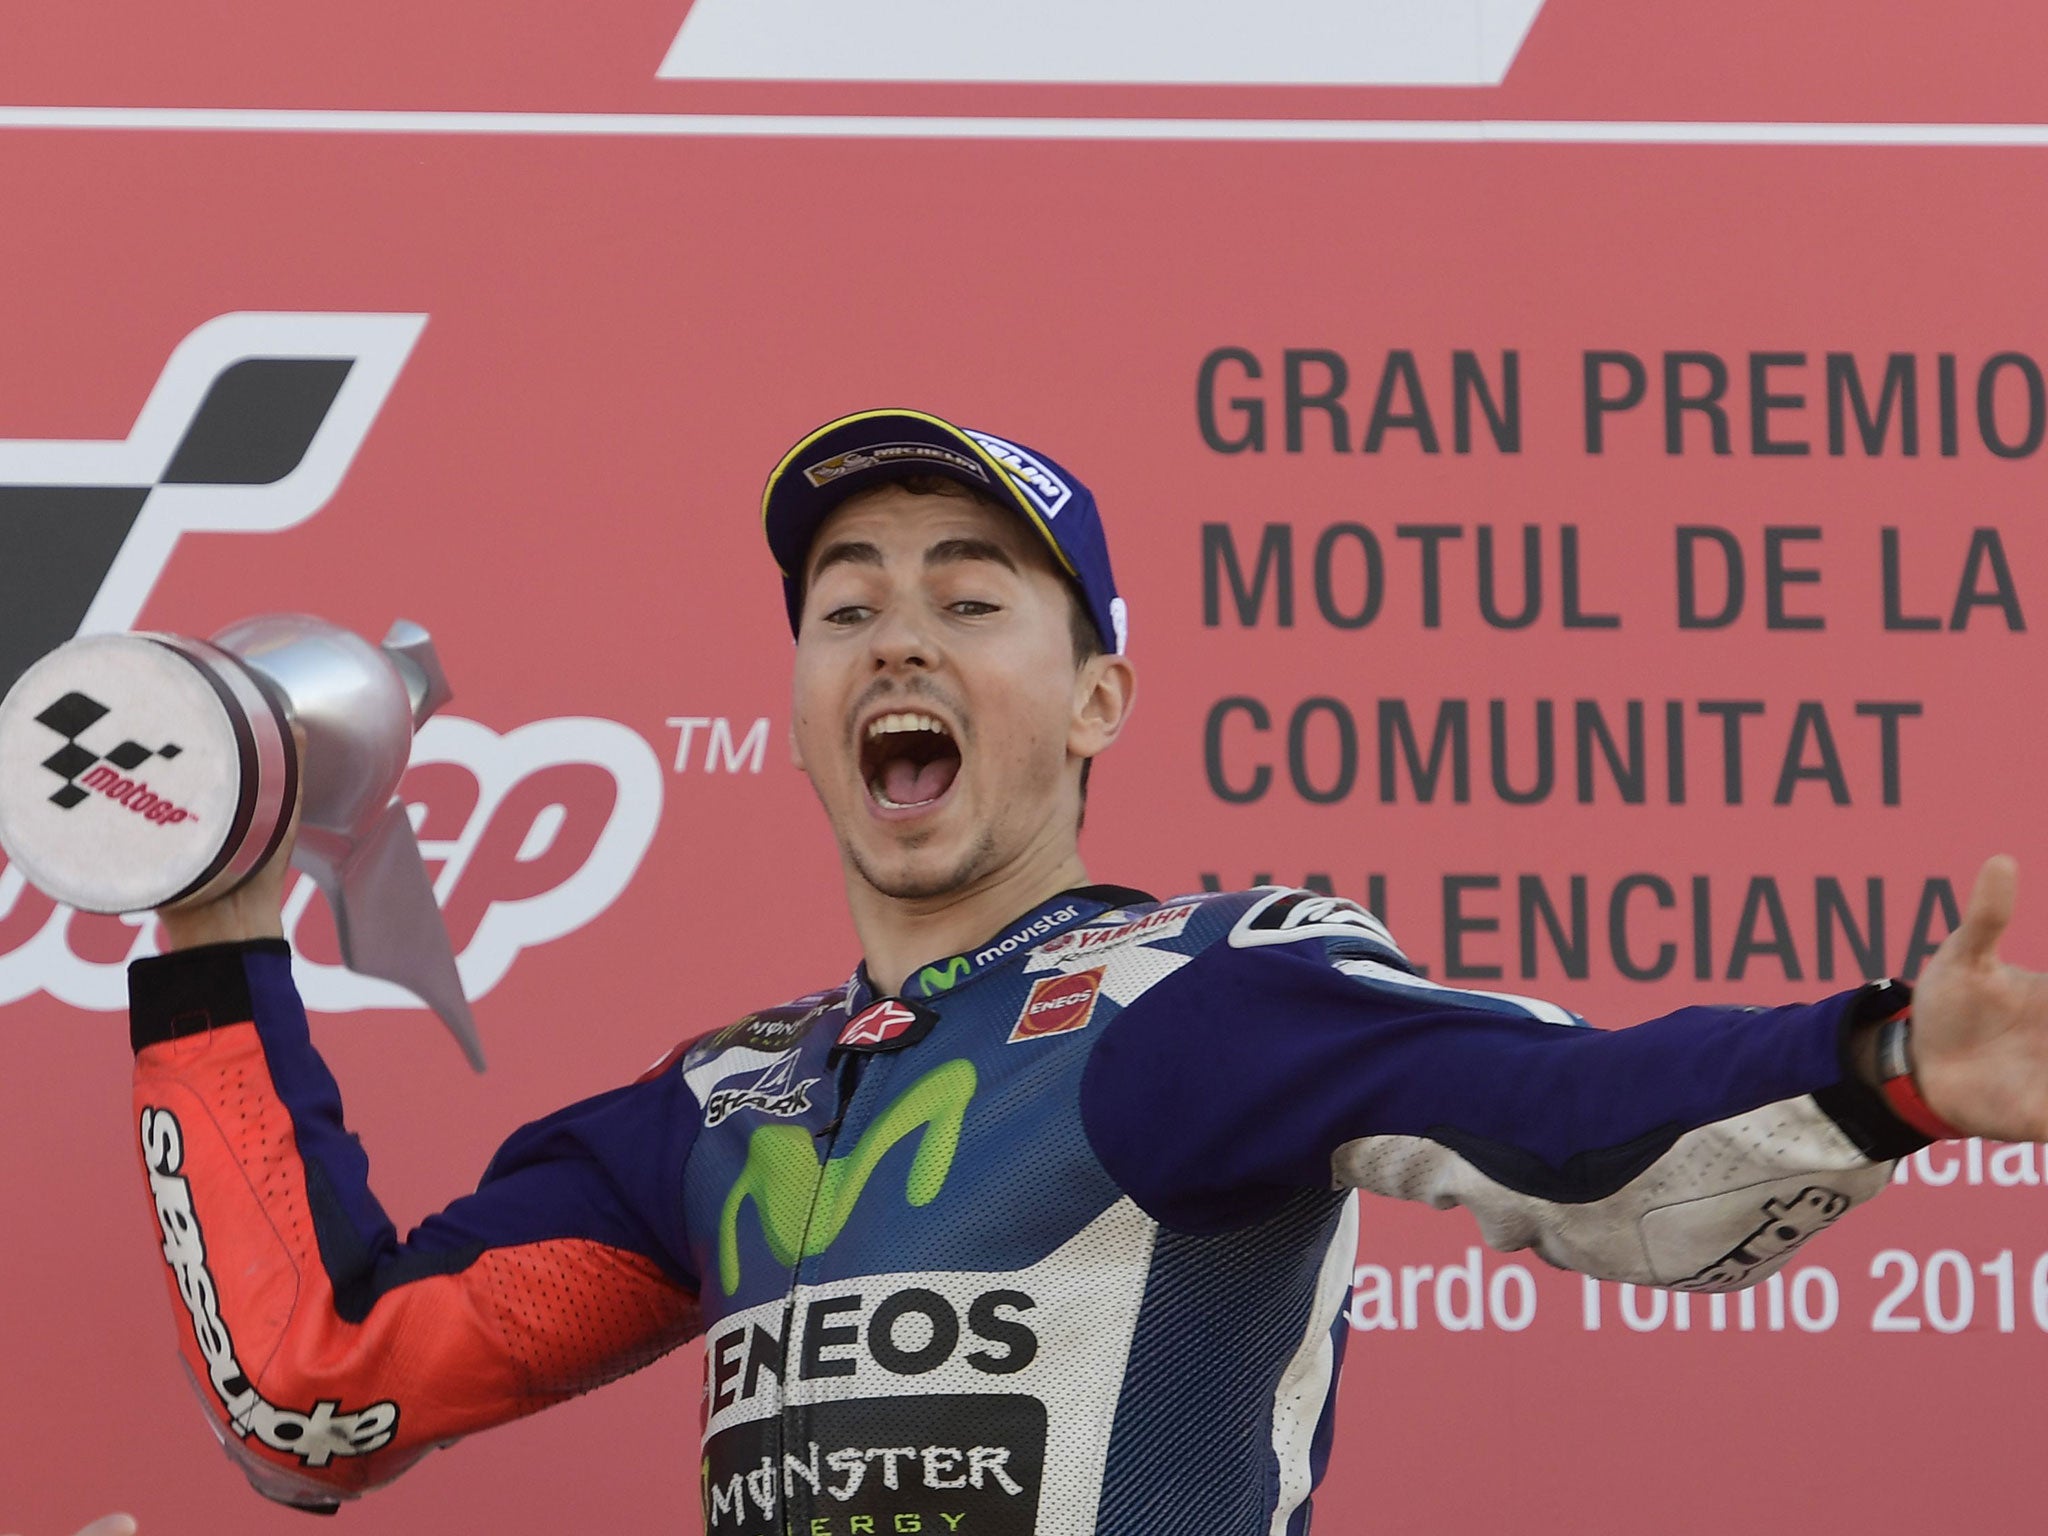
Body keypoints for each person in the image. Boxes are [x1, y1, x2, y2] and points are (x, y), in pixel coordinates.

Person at [130, 408, 2048, 1533]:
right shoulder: (717, 1108)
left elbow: (1574, 1134)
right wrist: (211, 908)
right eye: (847, 606)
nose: (901, 639)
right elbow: (321, 1391)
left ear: (1097, 698)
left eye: (973, 600)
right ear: (799, 706)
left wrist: (1888, 1063)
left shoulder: (1195, 999)